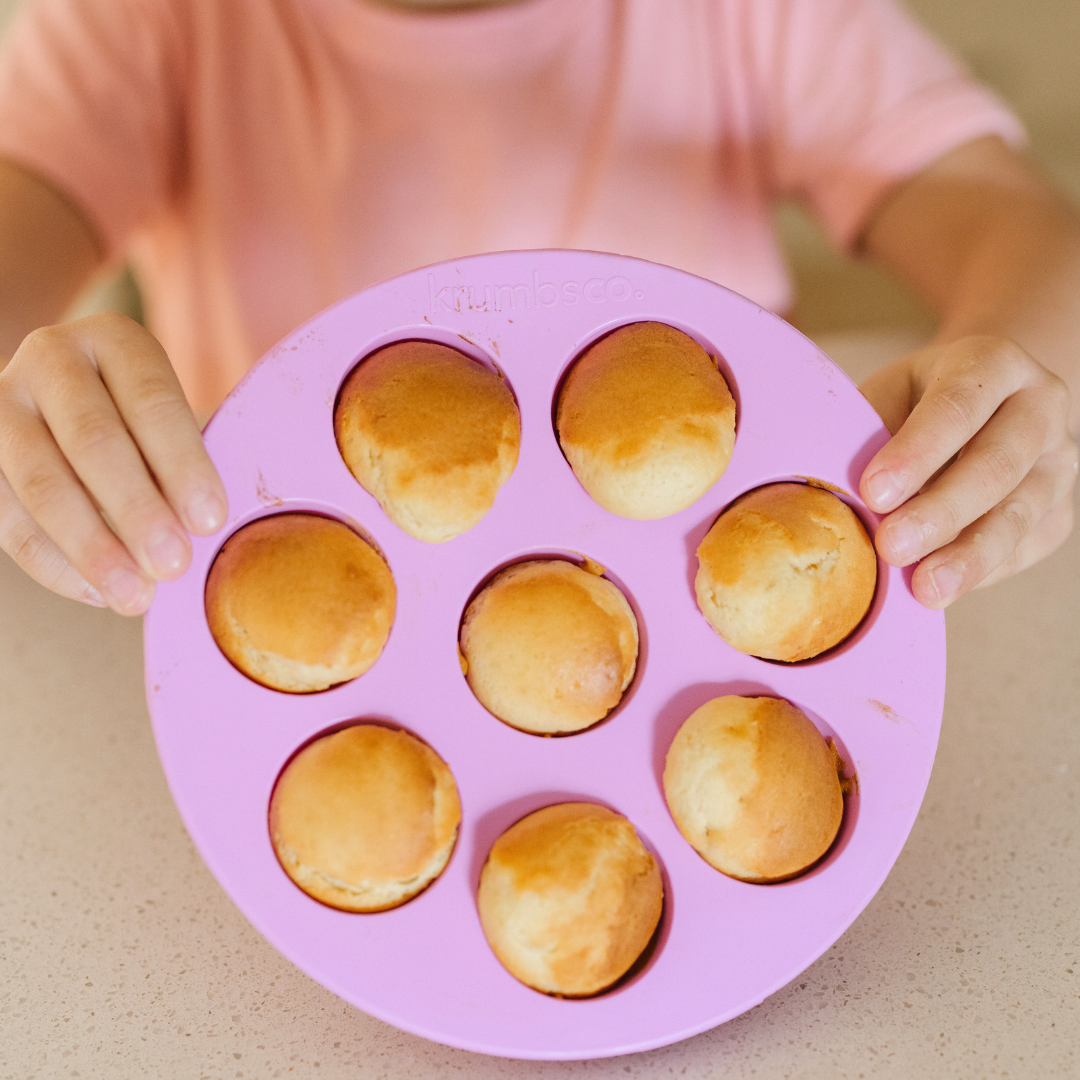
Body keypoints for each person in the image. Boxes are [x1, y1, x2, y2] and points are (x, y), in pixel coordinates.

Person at [0, 0, 1075, 619]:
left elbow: (1015, 226)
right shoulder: (144, 19)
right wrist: (43, 410)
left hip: (709, 606)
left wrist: (1014, 388)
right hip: (299, 602)